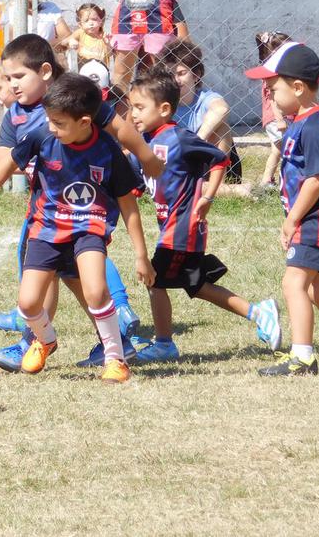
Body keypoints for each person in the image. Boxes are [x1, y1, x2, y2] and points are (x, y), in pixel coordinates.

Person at [0, 35, 163, 372]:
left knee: (93, 287)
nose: (11, 85)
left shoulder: (86, 109)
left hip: (88, 223)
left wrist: (148, 159)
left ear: (45, 73)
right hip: (46, 220)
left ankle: (113, 351)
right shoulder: (34, 125)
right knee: (34, 296)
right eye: (7, 78)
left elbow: (124, 147)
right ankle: (43, 339)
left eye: (18, 77)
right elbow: (8, 157)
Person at [126, 68, 281, 361]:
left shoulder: (180, 139)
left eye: (139, 107)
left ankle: (164, 344)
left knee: (155, 280)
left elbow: (220, 160)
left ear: (164, 109)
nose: (133, 114)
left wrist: (207, 197)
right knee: (196, 286)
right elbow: (133, 186)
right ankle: (259, 312)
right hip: (170, 226)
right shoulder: (141, 145)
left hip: (183, 226)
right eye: (131, 106)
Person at [245, 43, 319, 376]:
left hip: (315, 221)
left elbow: (315, 180)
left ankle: (302, 357)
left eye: (273, 90)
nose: (269, 96)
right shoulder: (303, 121)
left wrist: (292, 219)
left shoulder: (313, 126)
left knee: (293, 284)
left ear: (297, 88)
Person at [157, 40, 246, 189]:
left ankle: (217, 185)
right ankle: (220, 190)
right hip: (174, 163)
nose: (176, 80)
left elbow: (221, 109)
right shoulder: (162, 103)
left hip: (203, 159)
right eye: (171, 74)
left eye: (181, 73)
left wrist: (195, 142)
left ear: (196, 75)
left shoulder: (205, 97)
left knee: (222, 128)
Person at [254, 31, 294, 190]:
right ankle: (287, 180)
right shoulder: (274, 73)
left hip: (274, 118)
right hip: (278, 118)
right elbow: (272, 98)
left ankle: (267, 180)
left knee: (276, 150)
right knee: (288, 150)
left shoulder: (272, 70)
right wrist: (279, 119)